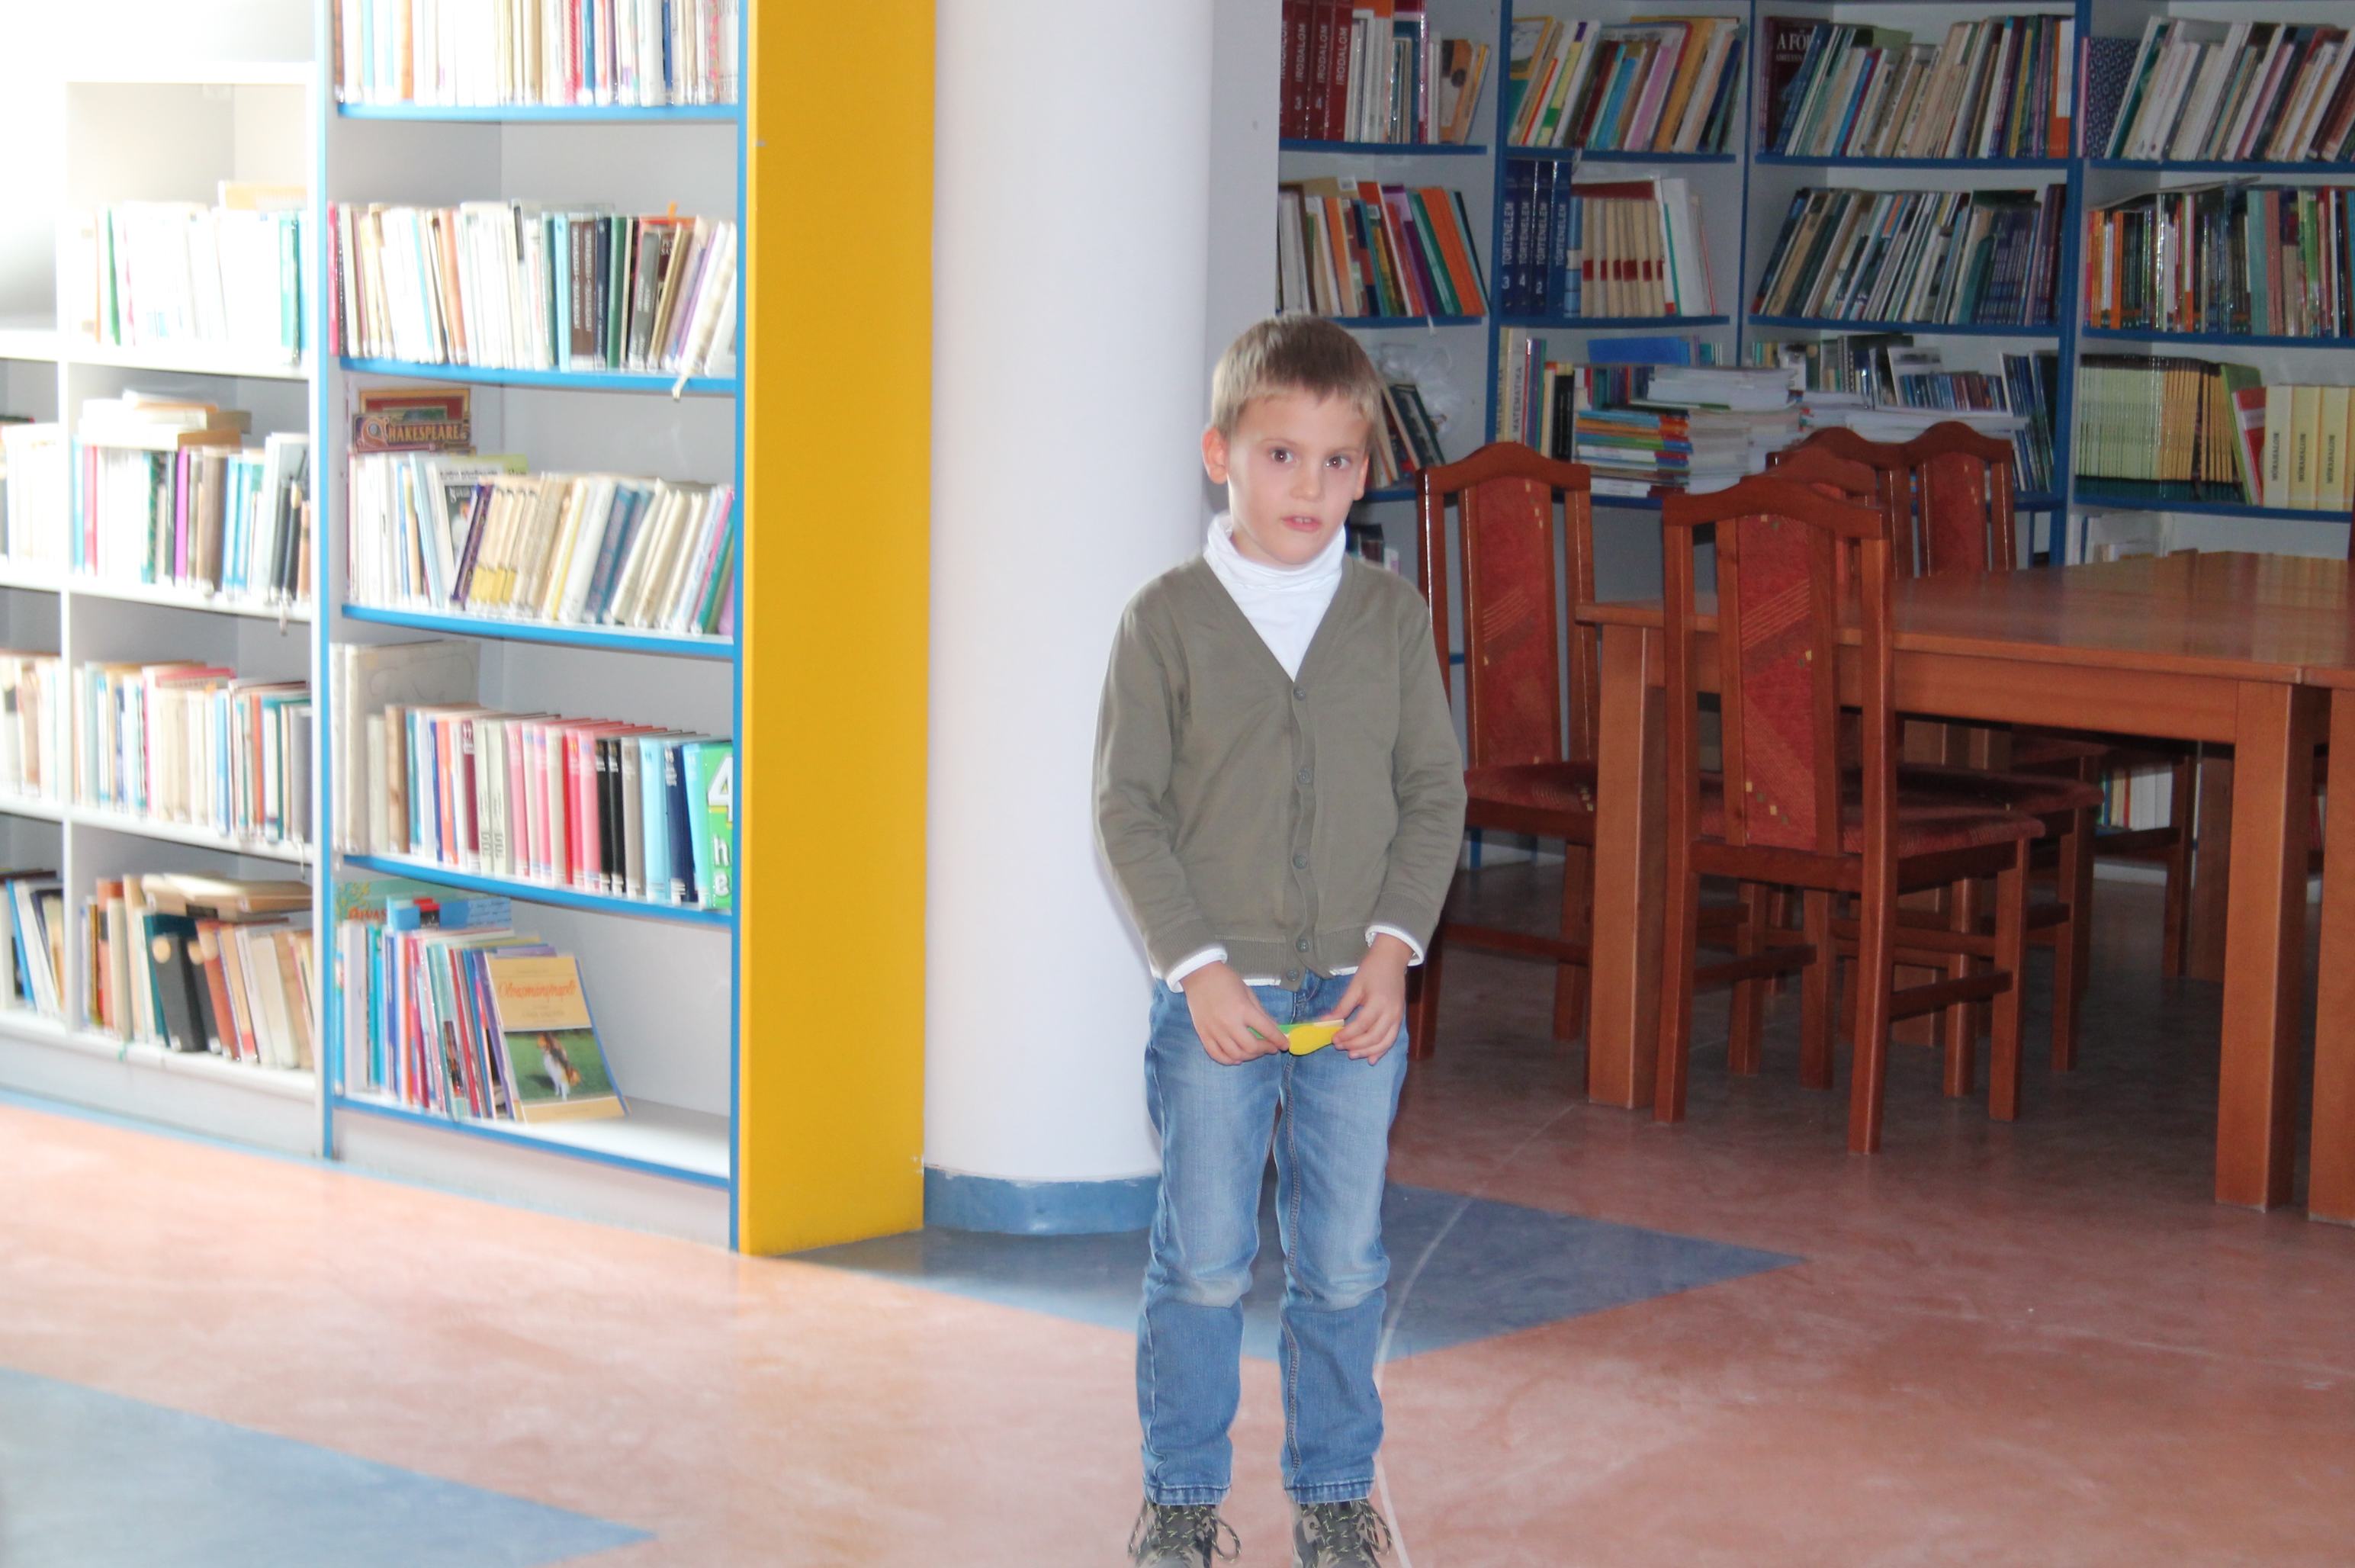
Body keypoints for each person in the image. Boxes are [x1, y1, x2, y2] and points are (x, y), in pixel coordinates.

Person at [1094, 316, 1466, 1568]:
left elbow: (1434, 794)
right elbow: (1127, 810)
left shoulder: (1392, 620)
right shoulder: (1165, 622)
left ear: (1367, 473)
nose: (1310, 487)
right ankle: (1182, 1501)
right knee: (1204, 1261)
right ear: (1222, 457)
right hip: (1219, 1000)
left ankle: (1336, 1494)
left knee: (1344, 1262)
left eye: (1338, 461)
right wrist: (1196, 969)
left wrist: (1393, 950)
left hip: (1357, 997)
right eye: (1280, 455)